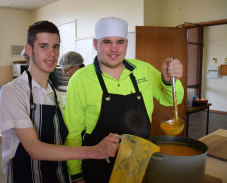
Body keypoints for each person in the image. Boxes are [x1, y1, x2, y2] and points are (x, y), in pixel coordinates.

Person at [64, 17, 184, 183]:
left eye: (120, 42)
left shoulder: (143, 69)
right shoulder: (80, 79)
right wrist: (76, 175)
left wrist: (168, 80)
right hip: (98, 166)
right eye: (106, 42)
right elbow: (73, 132)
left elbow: (170, 100)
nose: (114, 49)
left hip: (139, 161)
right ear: (95, 44)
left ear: (127, 43)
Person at [0, 20, 119, 183]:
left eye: (56, 47)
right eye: (43, 46)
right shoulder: (13, 91)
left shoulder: (54, 94)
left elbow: (65, 137)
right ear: (29, 50)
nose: (52, 53)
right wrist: (94, 151)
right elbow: (35, 149)